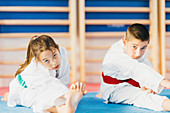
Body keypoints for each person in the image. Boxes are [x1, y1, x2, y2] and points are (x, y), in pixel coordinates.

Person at [6, 35, 86, 113]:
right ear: (39, 61)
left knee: (53, 97)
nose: (54, 63)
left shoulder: (62, 53)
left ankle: (67, 105)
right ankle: (63, 109)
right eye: (46, 61)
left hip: (44, 87)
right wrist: (67, 94)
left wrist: (68, 93)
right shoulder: (35, 68)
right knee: (38, 100)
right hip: (25, 89)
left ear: (57, 48)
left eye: (55, 55)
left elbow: (63, 79)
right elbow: (48, 84)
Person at [100, 23, 170, 111]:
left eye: (143, 48)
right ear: (125, 42)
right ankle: (166, 104)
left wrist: (147, 85)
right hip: (114, 89)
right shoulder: (116, 55)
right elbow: (136, 69)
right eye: (134, 47)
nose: (138, 53)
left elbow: (145, 66)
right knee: (141, 97)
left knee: (148, 92)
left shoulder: (134, 49)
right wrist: (165, 83)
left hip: (131, 83)